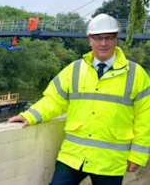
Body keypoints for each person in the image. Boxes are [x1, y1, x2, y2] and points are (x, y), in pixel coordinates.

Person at [8, 13, 150, 185]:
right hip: (73, 157)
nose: (103, 43)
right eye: (97, 38)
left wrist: (138, 155)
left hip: (110, 162)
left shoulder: (136, 74)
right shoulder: (74, 69)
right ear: (89, 40)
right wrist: (30, 115)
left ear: (116, 38)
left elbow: (145, 117)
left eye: (108, 38)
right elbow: (54, 99)